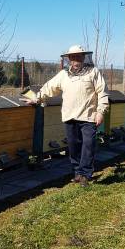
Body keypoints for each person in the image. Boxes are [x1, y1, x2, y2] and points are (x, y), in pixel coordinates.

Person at [24, 45, 109, 187]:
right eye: (73, 57)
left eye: (78, 56)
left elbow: (102, 92)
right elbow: (49, 88)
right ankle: (77, 172)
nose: (76, 59)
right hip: (70, 116)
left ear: (83, 57)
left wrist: (101, 112)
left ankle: (85, 175)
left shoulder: (93, 72)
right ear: (69, 59)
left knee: (88, 145)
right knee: (73, 146)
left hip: (89, 116)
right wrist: (36, 98)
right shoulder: (63, 75)